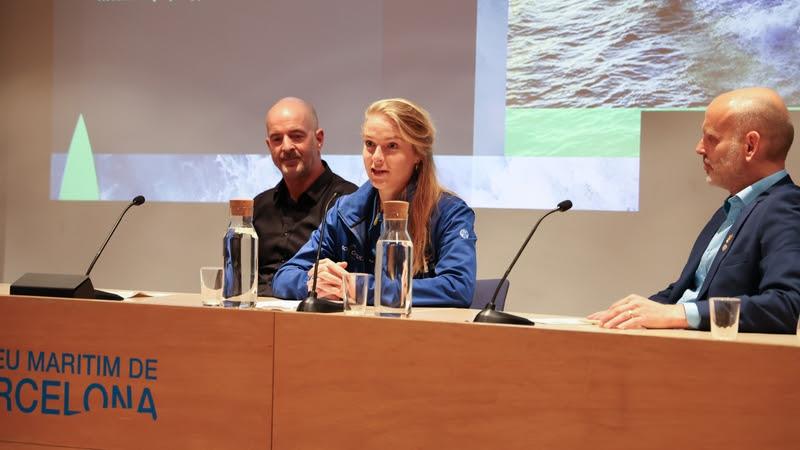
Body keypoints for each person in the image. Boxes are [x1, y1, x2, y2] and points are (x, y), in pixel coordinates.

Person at [590, 87, 800, 333]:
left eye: (711, 138)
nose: (699, 148)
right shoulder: (730, 211)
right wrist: (627, 314)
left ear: (750, 146)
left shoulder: (786, 206)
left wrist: (677, 314)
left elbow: (785, 305)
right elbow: (686, 292)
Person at [272, 98, 477, 306]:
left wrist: (361, 288)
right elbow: (284, 276)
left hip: (421, 335)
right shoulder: (343, 211)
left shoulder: (450, 213)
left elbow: (458, 287)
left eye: (392, 146)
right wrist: (315, 283)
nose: (376, 158)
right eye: (370, 144)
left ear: (418, 154)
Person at [254, 97, 357, 296]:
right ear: (269, 146)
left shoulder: (347, 204)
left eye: (296, 136)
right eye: (277, 139)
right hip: (254, 319)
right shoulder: (258, 207)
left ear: (319, 139)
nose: (286, 147)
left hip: (316, 319)